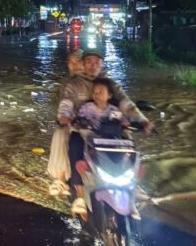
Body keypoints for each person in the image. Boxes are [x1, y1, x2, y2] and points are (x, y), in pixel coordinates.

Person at [57, 49, 153, 215]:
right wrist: (64, 116)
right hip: (84, 130)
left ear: (101, 65)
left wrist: (143, 121)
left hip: (109, 131)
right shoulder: (73, 84)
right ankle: (79, 196)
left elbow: (126, 104)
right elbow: (66, 103)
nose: (93, 66)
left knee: (128, 143)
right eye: (89, 62)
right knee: (75, 146)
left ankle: (133, 186)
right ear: (83, 64)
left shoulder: (111, 84)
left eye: (97, 63)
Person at [47, 49, 83, 197]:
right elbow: (66, 103)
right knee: (60, 136)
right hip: (75, 123)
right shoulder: (68, 83)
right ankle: (60, 179)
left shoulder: (99, 80)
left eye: (78, 62)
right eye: (70, 63)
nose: (74, 66)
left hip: (97, 125)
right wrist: (64, 116)